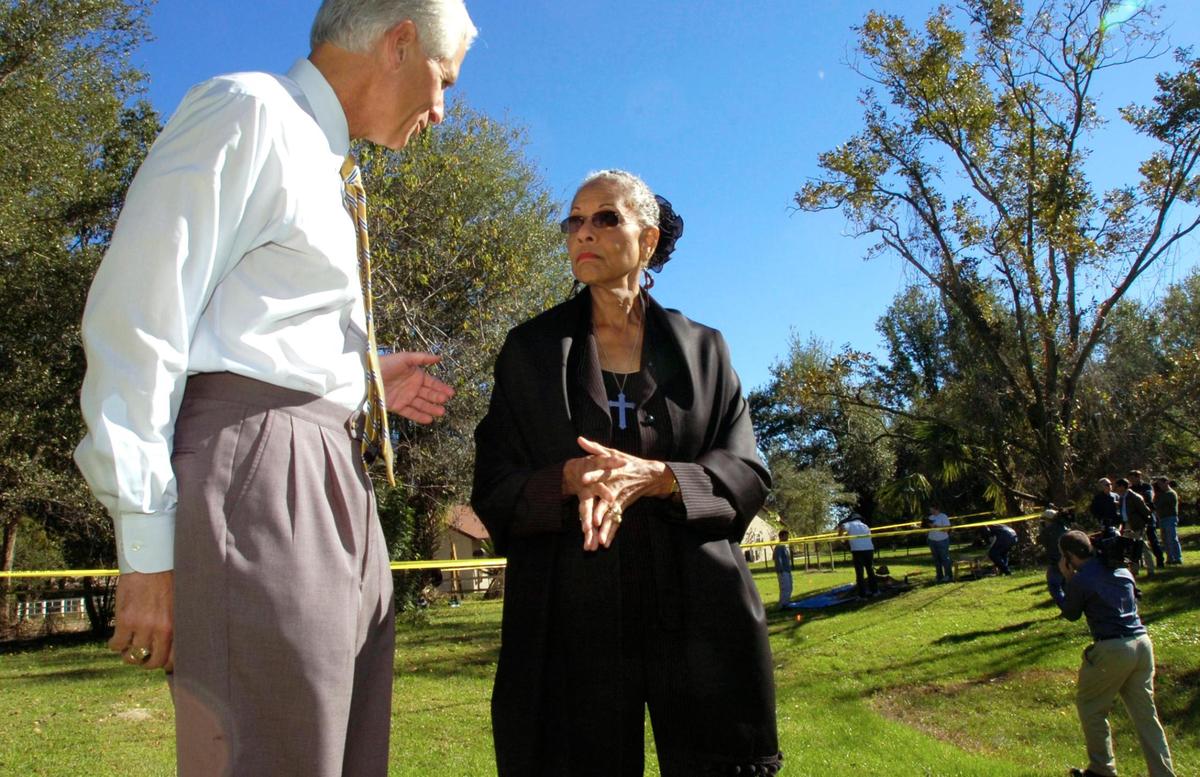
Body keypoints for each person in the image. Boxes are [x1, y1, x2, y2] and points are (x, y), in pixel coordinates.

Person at [73, 2, 474, 774]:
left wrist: (354, 380)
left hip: (334, 472)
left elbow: (255, 324)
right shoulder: (251, 112)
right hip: (260, 479)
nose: (441, 109)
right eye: (444, 79)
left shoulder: (332, 165)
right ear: (398, 44)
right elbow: (138, 317)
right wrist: (148, 549)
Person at [471, 170, 781, 776]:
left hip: (698, 611)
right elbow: (494, 485)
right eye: (574, 221)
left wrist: (662, 477)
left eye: (605, 218)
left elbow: (747, 470)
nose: (583, 232)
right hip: (569, 618)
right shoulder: (529, 352)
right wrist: (567, 479)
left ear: (647, 238)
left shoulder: (705, 351)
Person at [1051, 531, 1176, 777]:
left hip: (1113, 648)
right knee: (1146, 715)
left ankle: (1102, 769)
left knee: (1091, 707)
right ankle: (1163, 773)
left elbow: (1072, 613)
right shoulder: (1121, 570)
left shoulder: (1081, 579)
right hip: (1142, 643)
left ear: (1068, 556)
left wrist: (1064, 580)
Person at [1114, 478, 1156, 577]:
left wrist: (1143, 524)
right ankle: (1134, 570)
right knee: (1130, 549)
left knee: (1143, 547)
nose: (1116, 489)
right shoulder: (1122, 497)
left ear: (1123, 486)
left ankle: (1151, 570)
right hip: (1127, 525)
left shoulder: (1135, 497)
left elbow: (1146, 511)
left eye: (1118, 486)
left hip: (1137, 525)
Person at [1130, 470, 1166, 568]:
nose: (1131, 480)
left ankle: (1160, 560)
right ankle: (1140, 564)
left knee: (1153, 540)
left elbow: (1149, 499)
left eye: (1133, 478)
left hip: (1148, 517)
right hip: (1138, 519)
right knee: (1138, 542)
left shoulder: (1146, 487)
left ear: (1138, 477)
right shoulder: (1131, 489)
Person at [838, 513, 879, 598]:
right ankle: (875, 591)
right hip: (869, 549)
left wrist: (840, 537)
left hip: (858, 550)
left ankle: (862, 596)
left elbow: (842, 526)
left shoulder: (849, 524)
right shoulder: (865, 526)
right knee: (870, 571)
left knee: (860, 573)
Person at [1040, 506, 1072, 594]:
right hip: (1068, 560)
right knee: (1066, 584)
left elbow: (1046, 544)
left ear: (1048, 520)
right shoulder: (1065, 528)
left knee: (1054, 586)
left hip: (1056, 561)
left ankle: (1065, 604)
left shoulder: (1047, 532)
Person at [1152, 477, 1182, 565]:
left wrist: (1157, 495)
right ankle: (1170, 557)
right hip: (1162, 518)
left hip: (1170, 517)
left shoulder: (1170, 493)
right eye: (1158, 485)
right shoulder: (1160, 494)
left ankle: (1177, 557)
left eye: (1161, 484)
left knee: (1172, 538)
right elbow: (1155, 504)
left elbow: (1159, 503)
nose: (1159, 486)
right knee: (1165, 539)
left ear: (1166, 483)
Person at [923, 503, 953, 583]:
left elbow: (947, 530)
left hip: (942, 540)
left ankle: (948, 576)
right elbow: (927, 530)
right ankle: (939, 576)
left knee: (945, 558)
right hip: (932, 541)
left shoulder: (943, 516)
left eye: (931, 509)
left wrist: (935, 526)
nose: (930, 510)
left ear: (936, 508)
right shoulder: (930, 517)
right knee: (936, 560)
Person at [774, 529, 795, 609]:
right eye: (786, 536)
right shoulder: (779, 546)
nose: (787, 537)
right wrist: (781, 571)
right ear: (781, 536)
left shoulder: (785, 546)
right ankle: (783, 605)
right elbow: (777, 558)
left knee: (790, 587)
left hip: (787, 570)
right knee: (785, 588)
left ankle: (786, 602)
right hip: (783, 571)